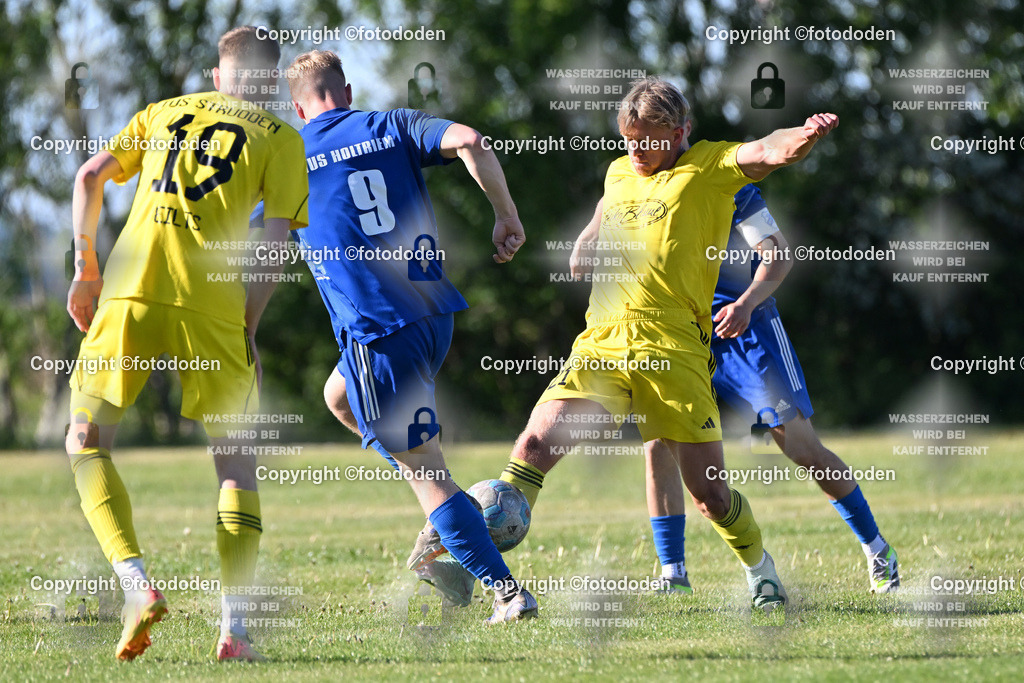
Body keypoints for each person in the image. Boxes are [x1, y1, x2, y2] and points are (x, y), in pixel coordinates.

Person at [483, 77, 837, 614]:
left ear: (679, 132)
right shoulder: (619, 171)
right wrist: (585, 243)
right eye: (629, 139)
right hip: (603, 342)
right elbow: (605, 209)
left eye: (648, 139)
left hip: (675, 350)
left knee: (710, 497)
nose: (637, 150)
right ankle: (492, 580)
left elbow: (769, 149)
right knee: (533, 446)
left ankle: (760, 571)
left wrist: (805, 135)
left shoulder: (711, 167)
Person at [64, 26, 308, 661]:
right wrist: (247, 326)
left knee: (86, 440)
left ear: (218, 75)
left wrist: (85, 268)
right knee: (235, 465)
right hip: (212, 304)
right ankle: (235, 632)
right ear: (270, 81)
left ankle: (136, 585)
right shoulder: (282, 139)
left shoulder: (163, 112)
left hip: (129, 291)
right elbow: (274, 246)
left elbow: (89, 176)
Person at [274, 50, 535, 622]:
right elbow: (473, 141)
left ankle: (505, 591)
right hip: (432, 315)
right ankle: (455, 510)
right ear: (346, 92)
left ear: (298, 109)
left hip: (377, 331)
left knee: (424, 470)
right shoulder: (391, 124)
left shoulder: (287, 155)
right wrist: (506, 215)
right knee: (339, 397)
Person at [643, 184, 898, 595]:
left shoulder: (730, 185)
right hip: (681, 336)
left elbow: (777, 256)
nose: (638, 152)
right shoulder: (642, 183)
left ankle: (877, 549)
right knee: (658, 442)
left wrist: (745, 304)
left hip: (746, 335)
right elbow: (610, 210)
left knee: (802, 448)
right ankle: (673, 573)